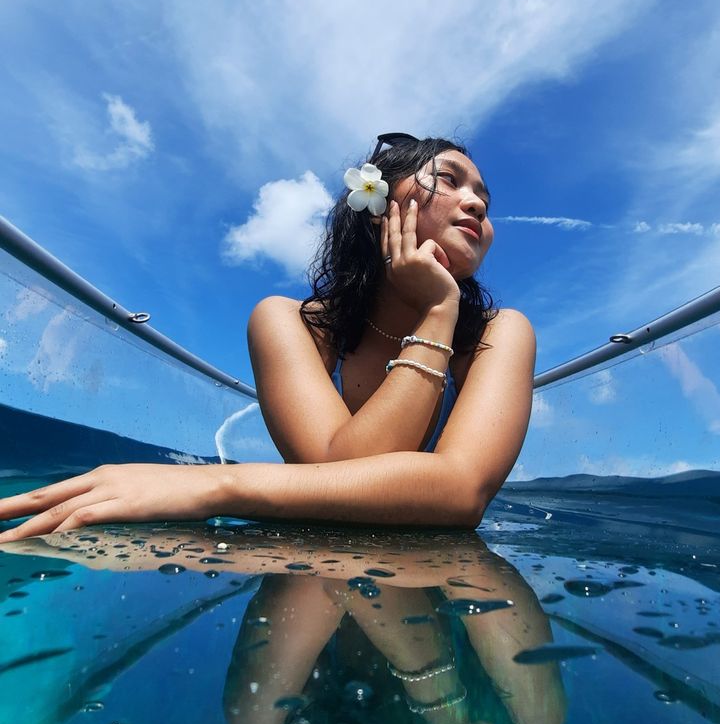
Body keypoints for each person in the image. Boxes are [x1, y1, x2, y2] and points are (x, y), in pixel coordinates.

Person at [0, 133, 536, 539]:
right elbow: (335, 474)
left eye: (484, 196)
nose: (478, 204)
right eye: (450, 180)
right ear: (378, 207)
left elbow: (462, 492)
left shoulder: (501, 333)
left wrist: (214, 485)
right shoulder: (288, 322)